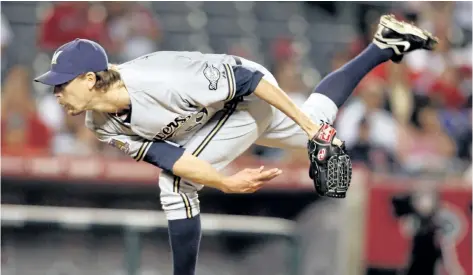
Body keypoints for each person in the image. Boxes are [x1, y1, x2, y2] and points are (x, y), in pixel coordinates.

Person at [34, 15, 437, 275]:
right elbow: (168, 156)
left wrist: (310, 128)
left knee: (175, 188)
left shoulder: (159, 79)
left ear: (89, 79)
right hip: (212, 114)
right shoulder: (98, 121)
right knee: (317, 112)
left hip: (245, 92)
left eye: (61, 84)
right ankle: (384, 44)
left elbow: (246, 80)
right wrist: (226, 182)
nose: (56, 93)